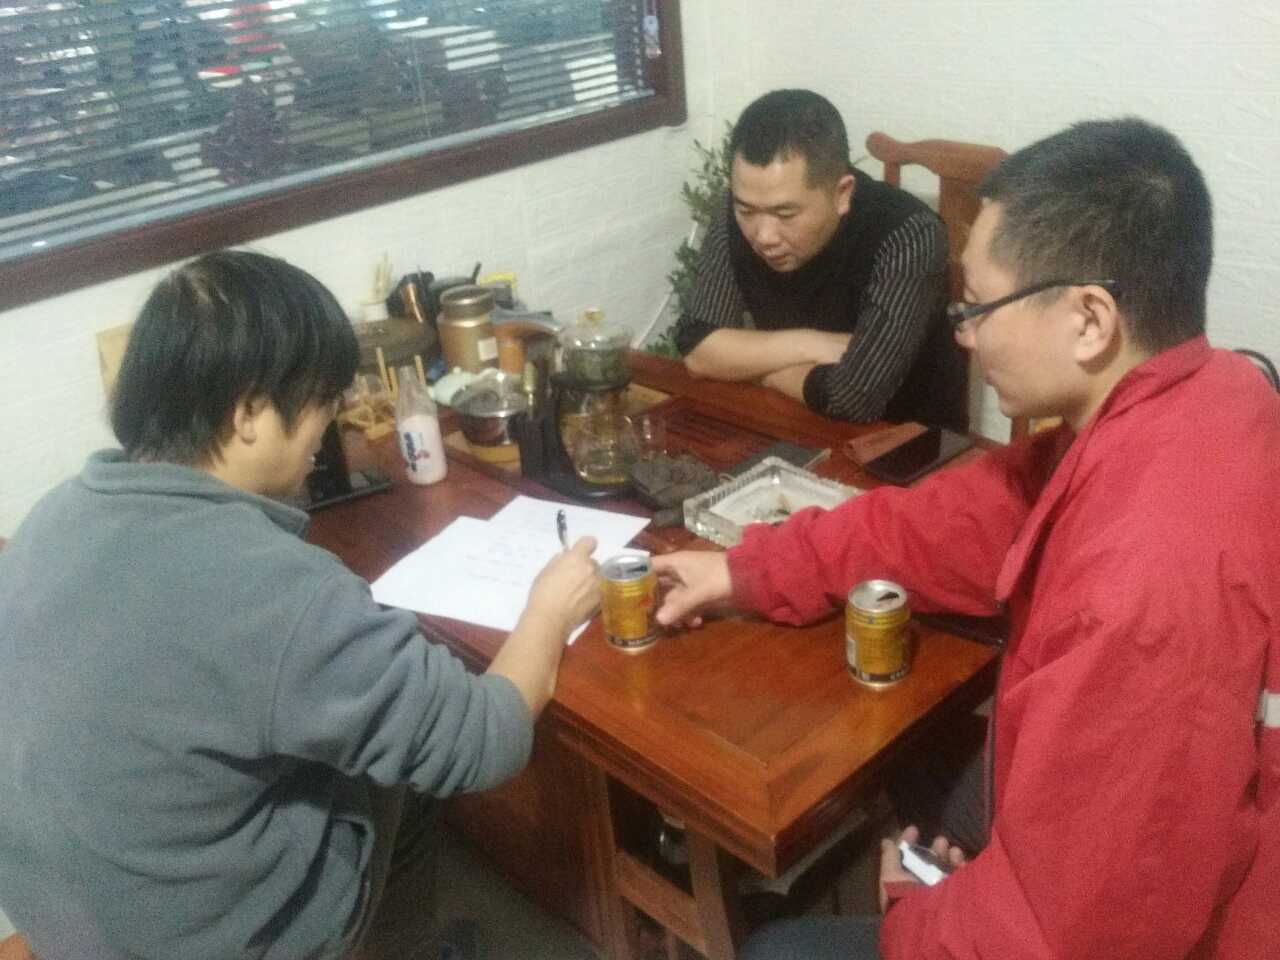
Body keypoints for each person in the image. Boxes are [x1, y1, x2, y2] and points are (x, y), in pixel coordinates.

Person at [652, 118, 1280, 959]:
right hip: (1140, 846)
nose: (964, 334)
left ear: (1089, 320)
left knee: (780, 951)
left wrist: (913, 911)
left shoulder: (1146, 587)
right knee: (924, 765)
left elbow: (1077, 934)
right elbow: (955, 522)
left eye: (979, 307)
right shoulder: (1213, 387)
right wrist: (747, 569)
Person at [0, 250, 600, 960]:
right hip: (211, 942)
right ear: (250, 412)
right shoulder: (273, 589)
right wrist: (550, 608)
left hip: (68, 921)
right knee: (406, 767)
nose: (329, 425)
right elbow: (482, 741)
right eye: (323, 400)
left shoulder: (54, 516)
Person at [673, 89, 967, 430]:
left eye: (785, 213)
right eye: (747, 210)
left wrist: (753, 369)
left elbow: (854, 397)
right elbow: (698, 348)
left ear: (842, 193)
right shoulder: (738, 212)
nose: (763, 235)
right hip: (794, 420)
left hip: (908, 440)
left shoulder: (908, 234)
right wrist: (810, 344)